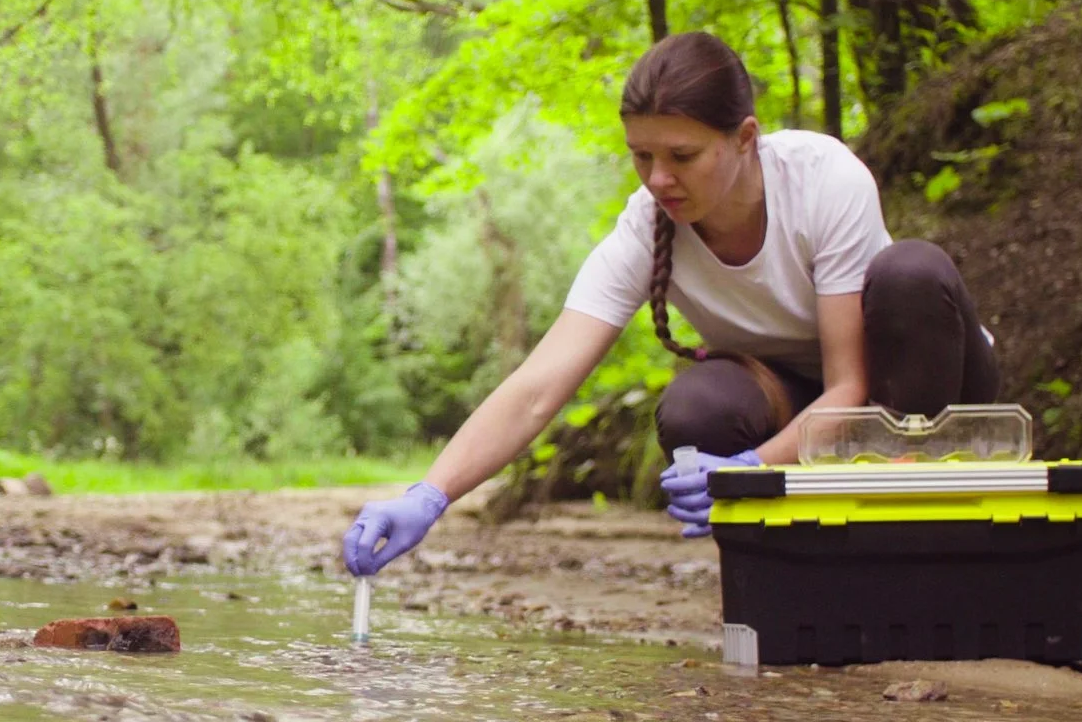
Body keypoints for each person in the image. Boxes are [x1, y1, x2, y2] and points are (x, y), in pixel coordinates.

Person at [342, 30, 998, 577]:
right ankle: (798, 581)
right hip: (799, 402)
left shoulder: (823, 179)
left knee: (912, 271)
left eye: (682, 155)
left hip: (915, 387)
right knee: (697, 407)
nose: (659, 178)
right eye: (642, 156)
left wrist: (747, 470)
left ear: (745, 139)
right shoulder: (646, 226)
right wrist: (430, 494)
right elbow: (538, 388)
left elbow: (852, 387)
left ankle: (930, 554)